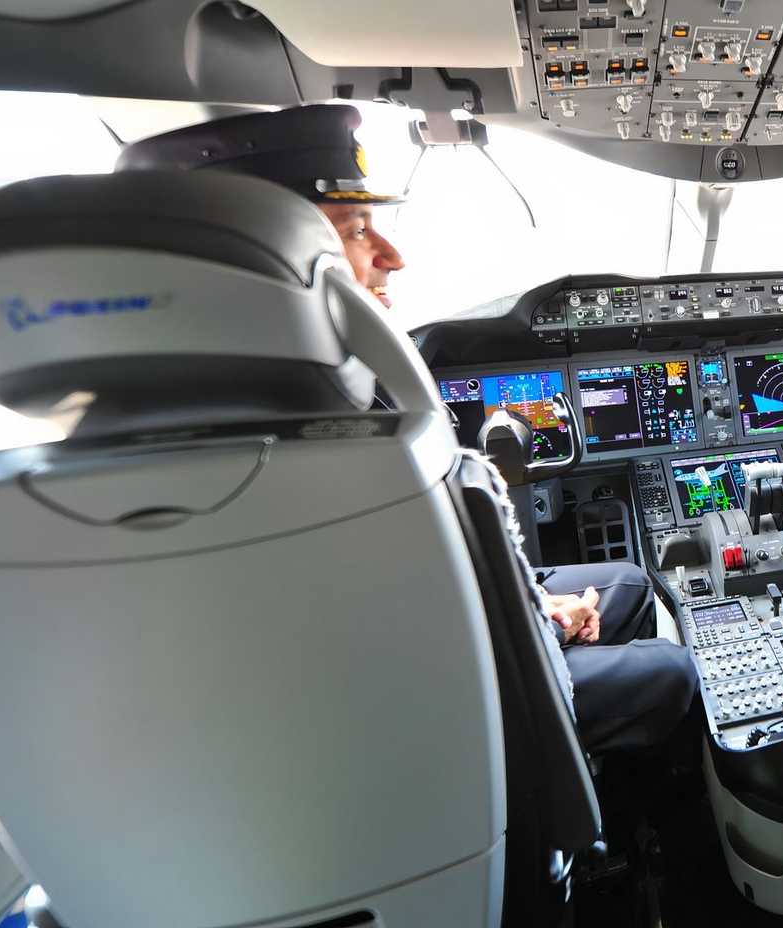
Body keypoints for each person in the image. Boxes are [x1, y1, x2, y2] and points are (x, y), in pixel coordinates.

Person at [116, 104, 696, 752]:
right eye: (357, 228)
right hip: (426, 711)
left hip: (427, 654)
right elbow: (402, 642)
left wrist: (536, 603)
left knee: (630, 584)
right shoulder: (307, 442)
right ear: (263, 259)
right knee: (672, 674)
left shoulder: (253, 398)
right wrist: (547, 627)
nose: (392, 256)